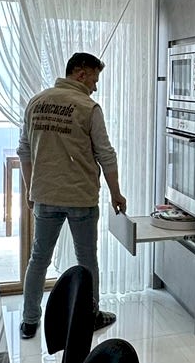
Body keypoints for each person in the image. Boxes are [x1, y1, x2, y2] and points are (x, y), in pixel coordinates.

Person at [17, 52, 127, 339]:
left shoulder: (36, 103)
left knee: (38, 259)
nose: (95, 86)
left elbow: (24, 151)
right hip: (81, 198)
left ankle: (29, 320)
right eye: (94, 79)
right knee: (87, 260)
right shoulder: (88, 108)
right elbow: (106, 155)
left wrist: (30, 189)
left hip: (45, 195)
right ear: (81, 73)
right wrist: (116, 193)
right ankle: (90, 316)